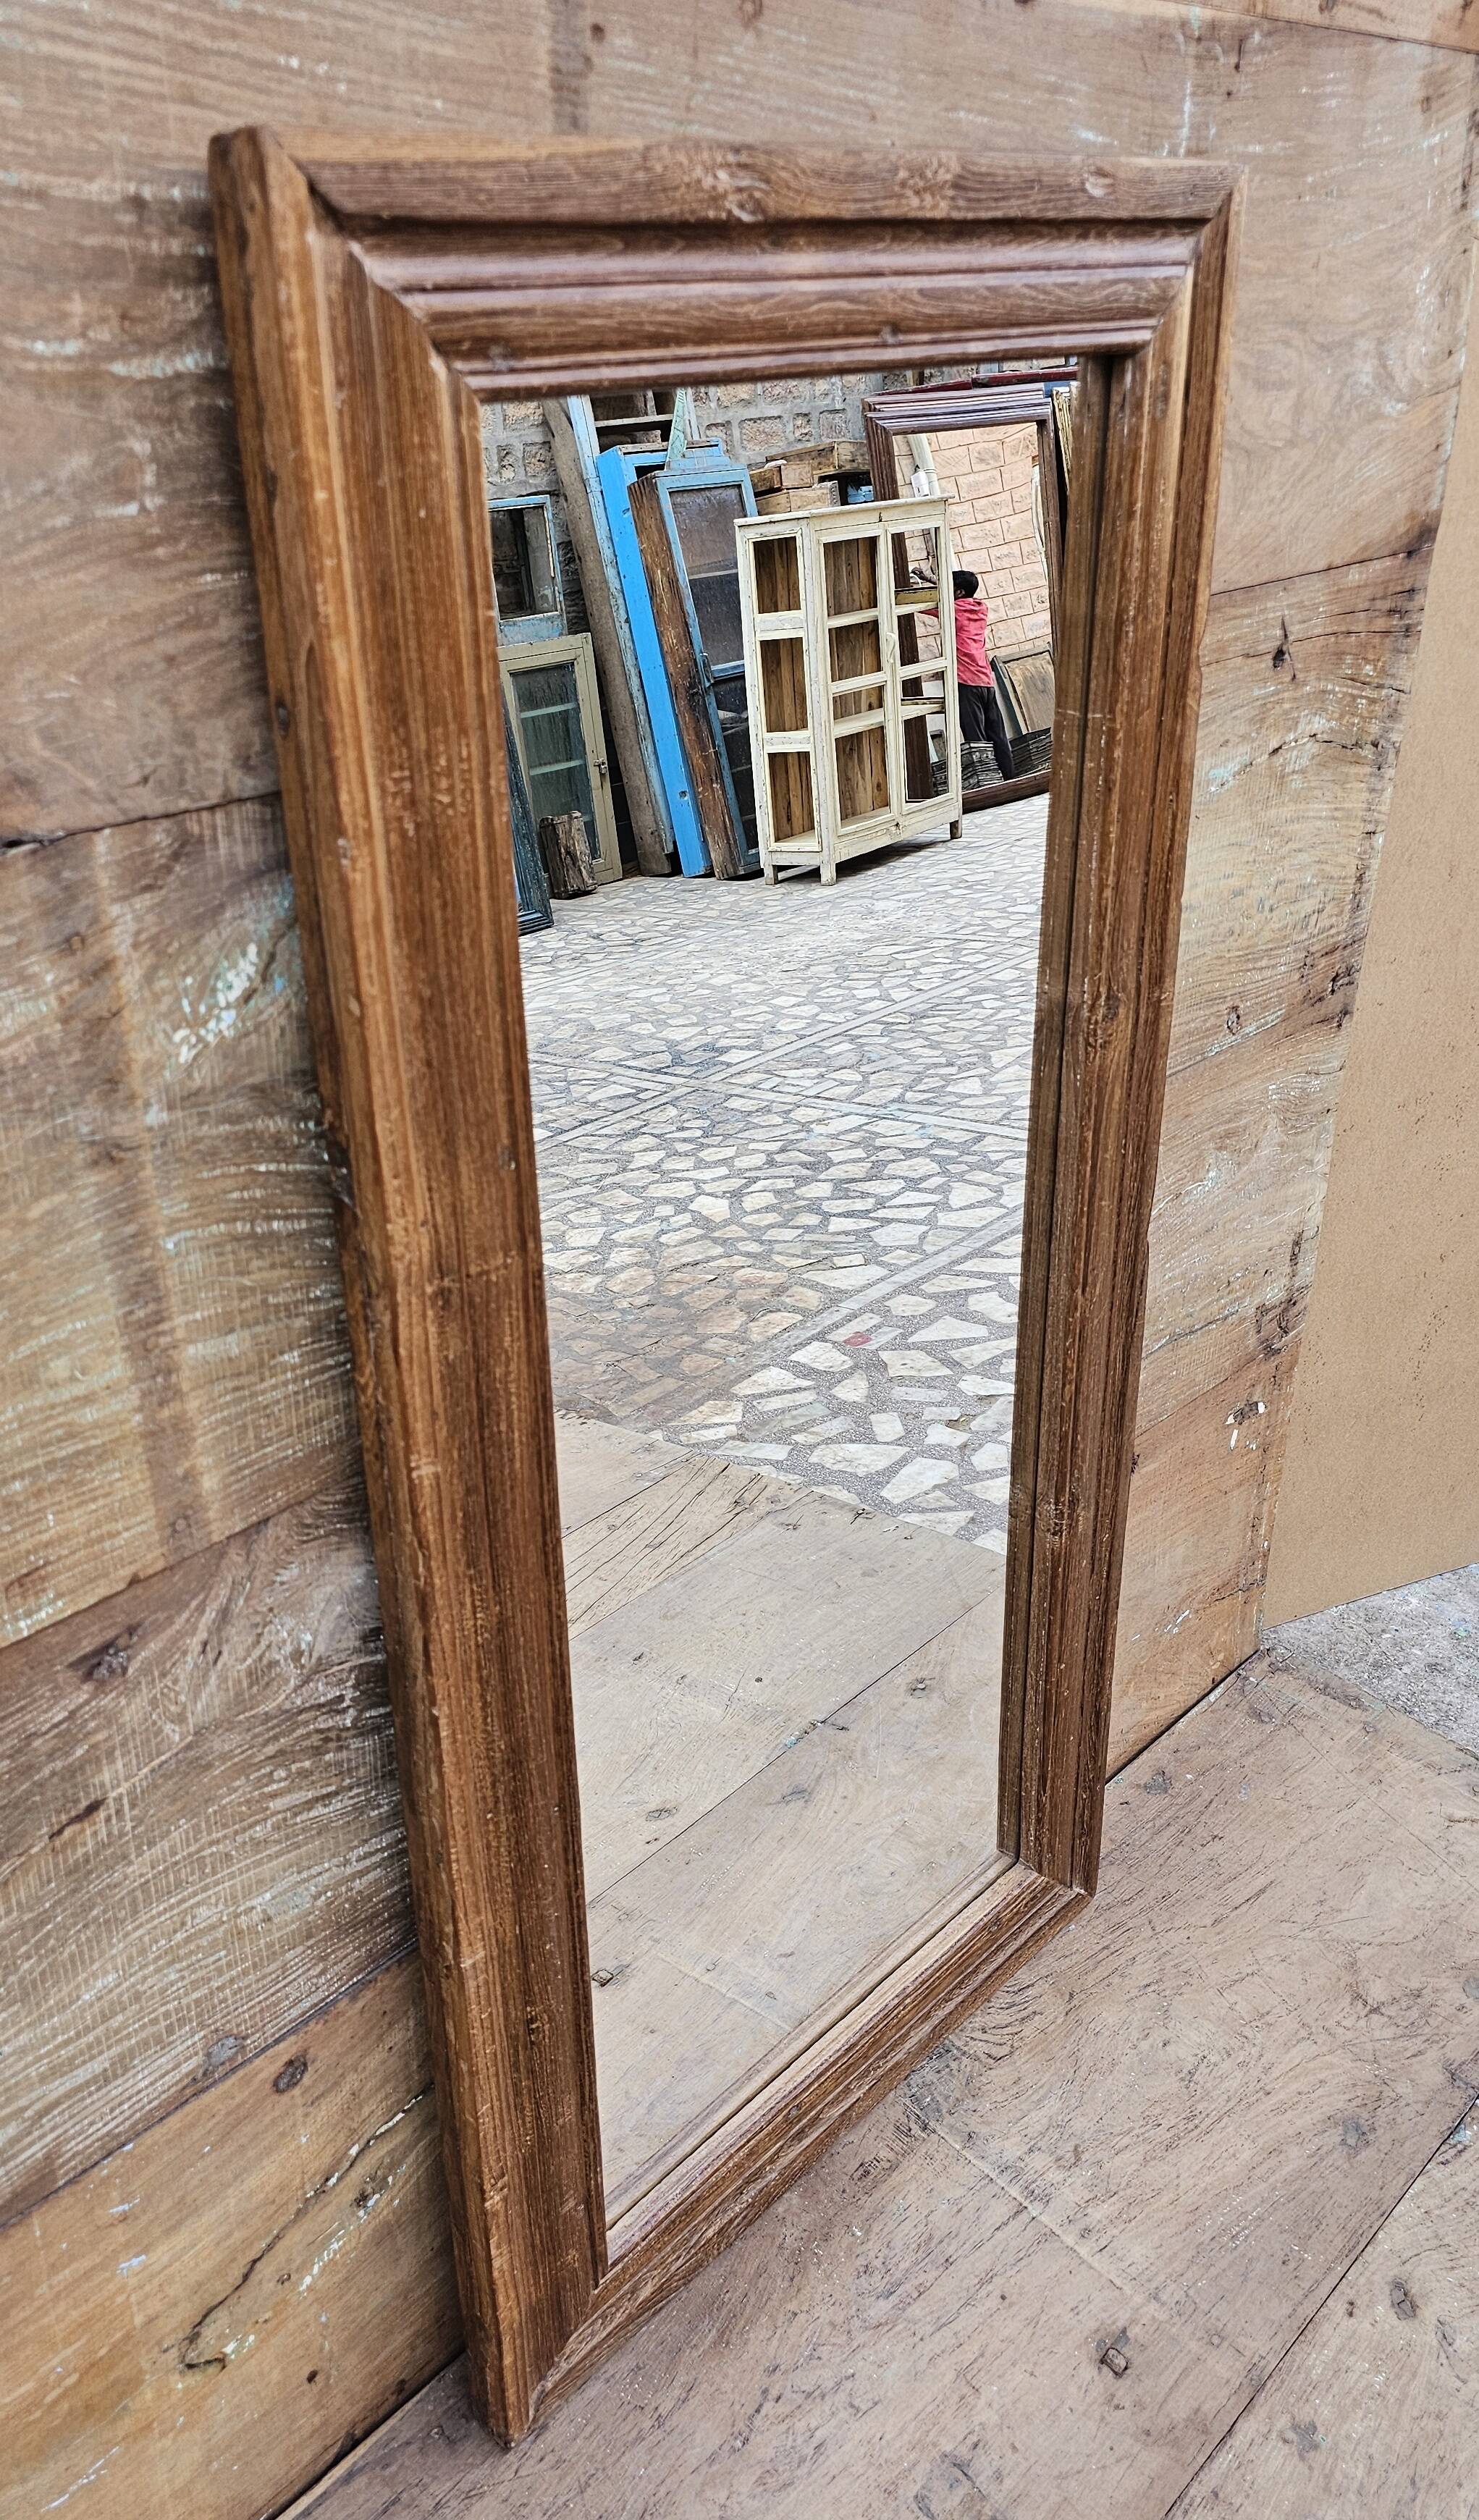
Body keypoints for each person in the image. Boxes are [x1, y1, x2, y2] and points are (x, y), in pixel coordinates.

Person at [951, 569, 1015, 783]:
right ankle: (1009, 778)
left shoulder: (953, 610)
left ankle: (988, 784)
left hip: (966, 681)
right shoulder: (981, 608)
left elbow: (924, 604)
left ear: (959, 592)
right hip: (986, 680)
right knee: (998, 735)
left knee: (976, 739)